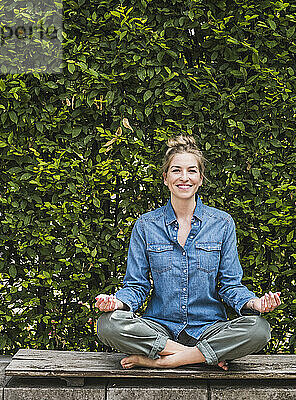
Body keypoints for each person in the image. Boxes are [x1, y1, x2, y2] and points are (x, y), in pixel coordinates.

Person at [95, 135, 281, 370]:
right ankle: (195, 356)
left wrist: (254, 303)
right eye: (176, 171)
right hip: (159, 327)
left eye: (191, 171)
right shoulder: (145, 225)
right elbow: (136, 286)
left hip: (209, 328)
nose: (184, 178)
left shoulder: (222, 223)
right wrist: (117, 304)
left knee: (259, 329)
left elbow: (231, 285)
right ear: (165, 178)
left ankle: (164, 361)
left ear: (200, 178)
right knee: (108, 324)